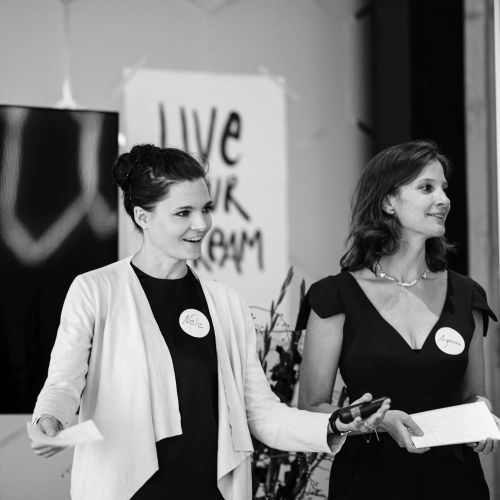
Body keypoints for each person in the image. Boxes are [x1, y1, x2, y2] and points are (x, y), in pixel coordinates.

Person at [30, 144, 390, 500]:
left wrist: (334, 422)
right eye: (183, 213)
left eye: (205, 209)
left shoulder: (225, 303)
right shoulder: (95, 290)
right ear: (142, 217)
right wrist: (49, 419)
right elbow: (63, 382)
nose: (201, 224)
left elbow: (262, 414)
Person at [297, 140, 500, 500]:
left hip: (455, 483)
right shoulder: (335, 296)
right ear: (388, 202)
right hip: (368, 482)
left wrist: (481, 415)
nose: (443, 199)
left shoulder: (466, 295)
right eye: (426, 188)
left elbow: (474, 395)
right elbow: (311, 407)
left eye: (443, 189)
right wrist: (378, 421)